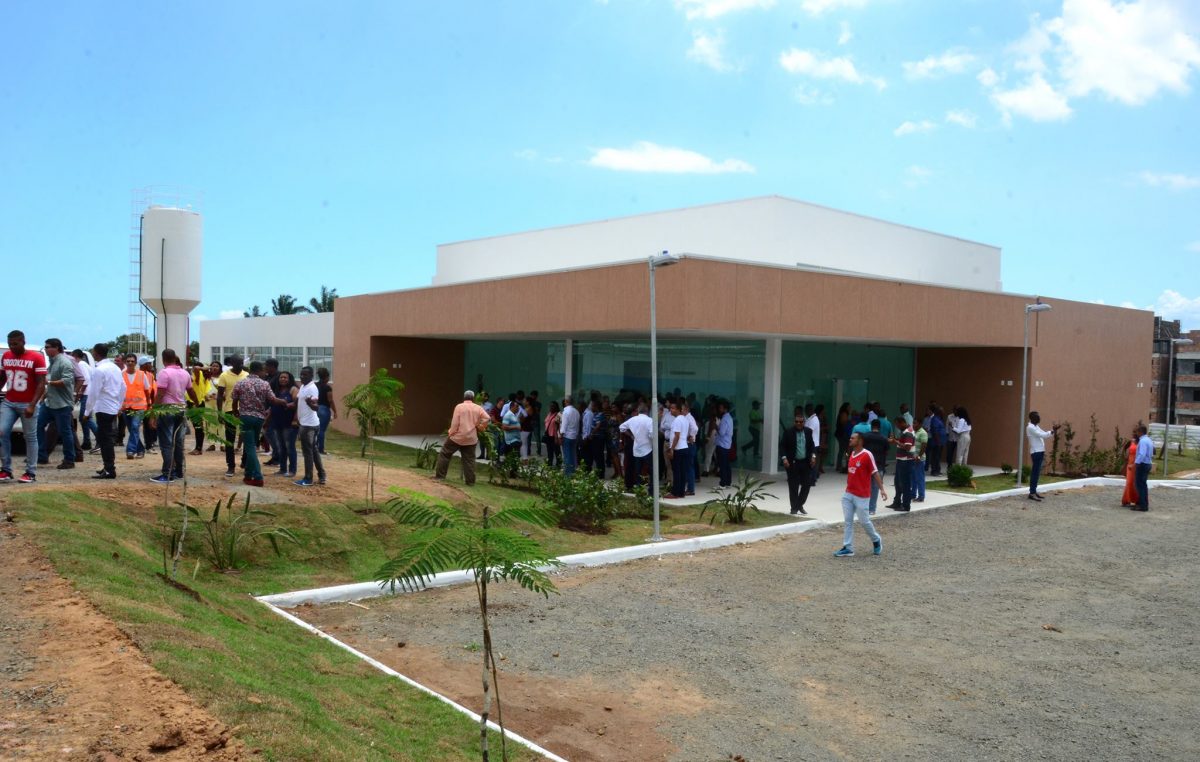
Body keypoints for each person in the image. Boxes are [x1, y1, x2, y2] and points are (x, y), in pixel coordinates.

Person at [0, 330, 48, 483]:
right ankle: (6, 469)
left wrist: (33, 404)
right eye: (10, 344)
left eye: (15, 343)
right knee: (1, 432)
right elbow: (2, 377)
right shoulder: (6, 356)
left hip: (27, 402)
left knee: (30, 437)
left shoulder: (36, 357)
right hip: (9, 401)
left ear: (23, 342)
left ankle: (31, 472)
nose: (12, 347)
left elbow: (41, 383)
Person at [230, 360, 286, 487]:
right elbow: (272, 399)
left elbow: (234, 400)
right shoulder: (264, 384)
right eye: (263, 370)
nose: (264, 372)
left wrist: (235, 412)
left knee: (249, 448)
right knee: (252, 446)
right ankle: (248, 475)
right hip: (260, 418)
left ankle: (257, 476)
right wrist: (284, 402)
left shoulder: (241, 383)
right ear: (259, 370)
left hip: (245, 417)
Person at [834, 432, 887, 558]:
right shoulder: (851, 454)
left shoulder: (867, 455)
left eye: (853, 438)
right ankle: (848, 547)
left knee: (864, 521)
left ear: (860, 440)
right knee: (848, 521)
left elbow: (875, 472)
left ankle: (876, 540)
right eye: (850, 437)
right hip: (848, 494)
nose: (850, 439)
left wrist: (882, 489)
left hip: (862, 495)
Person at [150, 349, 193, 484]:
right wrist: (197, 405)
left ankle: (167, 474)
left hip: (167, 410)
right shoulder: (185, 373)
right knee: (178, 442)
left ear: (163, 359)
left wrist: (153, 413)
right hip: (181, 409)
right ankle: (179, 471)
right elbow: (191, 391)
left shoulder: (164, 373)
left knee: (166, 443)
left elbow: (160, 394)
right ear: (175, 358)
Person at [35, 338, 76, 471]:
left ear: (56, 348)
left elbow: (67, 381)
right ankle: (42, 455)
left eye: (48, 347)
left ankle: (69, 459)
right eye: (45, 347)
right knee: (38, 425)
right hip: (50, 402)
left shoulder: (65, 362)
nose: (46, 349)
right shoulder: (52, 362)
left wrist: (49, 383)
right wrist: (44, 395)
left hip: (62, 404)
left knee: (65, 432)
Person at [84, 343, 124, 480]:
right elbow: (123, 388)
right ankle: (108, 467)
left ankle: (109, 469)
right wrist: (119, 404)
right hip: (112, 407)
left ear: (96, 353)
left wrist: (86, 412)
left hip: (103, 408)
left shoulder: (99, 370)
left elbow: (93, 393)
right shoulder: (115, 368)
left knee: (105, 440)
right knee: (106, 439)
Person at [434, 390, 490, 485]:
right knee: (469, 460)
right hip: (471, 438)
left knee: (445, 454)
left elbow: (455, 423)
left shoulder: (459, 407)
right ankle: (470, 482)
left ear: (464, 397)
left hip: (457, 437)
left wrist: (451, 432)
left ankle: (440, 476)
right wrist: (481, 427)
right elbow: (487, 418)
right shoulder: (478, 408)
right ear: (472, 398)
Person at [215, 356, 249, 477]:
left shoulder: (246, 375)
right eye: (237, 363)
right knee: (230, 440)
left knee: (246, 438)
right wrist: (219, 412)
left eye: (241, 363)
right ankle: (231, 466)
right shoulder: (224, 375)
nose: (239, 365)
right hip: (229, 411)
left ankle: (245, 462)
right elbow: (219, 395)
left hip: (245, 411)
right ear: (231, 363)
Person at [294, 366, 326, 487]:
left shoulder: (312, 388)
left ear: (311, 376)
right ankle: (322, 476)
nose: (302, 377)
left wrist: (310, 404)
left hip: (309, 426)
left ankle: (308, 478)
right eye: (301, 374)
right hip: (306, 423)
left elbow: (316, 407)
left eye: (305, 375)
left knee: (308, 452)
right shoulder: (303, 386)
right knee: (314, 450)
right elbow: (297, 402)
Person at [780, 412, 817, 515]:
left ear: (804, 422)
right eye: (796, 422)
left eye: (801, 422)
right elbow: (782, 446)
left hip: (805, 462)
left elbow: (812, 446)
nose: (799, 424)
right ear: (794, 422)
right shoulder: (788, 432)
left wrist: (813, 456)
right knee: (793, 486)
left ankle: (799, 504)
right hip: (793, 463)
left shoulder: (808, 432)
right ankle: (794, 508)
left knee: (807, 484)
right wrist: (784, 459)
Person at [119, 353, 153, 460]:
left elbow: (147, 391)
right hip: (126, 407)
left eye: (132, 361)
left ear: (135, 362)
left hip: (140, 407)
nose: (130, 363)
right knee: (132, 430)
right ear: (125, 362)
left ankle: (130, 450)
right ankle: (140, 449)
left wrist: (149, 404)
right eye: (128, 361)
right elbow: (118, 392)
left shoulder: (142, 375)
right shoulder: (121, 375)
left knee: (134, 427)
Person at [268, 370, 299, 477]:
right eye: (281, 377)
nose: (283, 379)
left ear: (289, 379)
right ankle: (282, 469)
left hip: (289, 423)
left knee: (289, 446)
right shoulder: (276, 391)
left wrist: (295, 419)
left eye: (285, 377)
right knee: (281, 447)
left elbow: (297, 404)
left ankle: (292, 470)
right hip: (277, 422)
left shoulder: (293, 389)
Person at [619, 403, 655, 493]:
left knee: (637, 471)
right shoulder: (650, 420)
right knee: (651, 470)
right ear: (647, 411)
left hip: (637, 449)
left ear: (638, 411)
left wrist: (632, 435)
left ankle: (638, 489)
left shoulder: (632, 420)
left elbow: (621, 428)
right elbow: (652, 434)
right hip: (648, 449)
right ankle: (651, 490)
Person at [1025, 412, 1058, 502]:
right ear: (1033, 418)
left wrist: (1052, 431)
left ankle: (1034, 492)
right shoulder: (1030, 427)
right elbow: (1042, 435)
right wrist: (1052, 431)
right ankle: (1032, 493)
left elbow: (1043, 433)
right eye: (1038, 417)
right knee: (1035, 473)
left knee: (1037, 473)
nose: (1039, 418)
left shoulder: (1035, 426)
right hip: (1036, 452)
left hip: (1040, 451)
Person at [887, 416, 916, 512]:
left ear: (902, 422)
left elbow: (907, 447)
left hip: (906, 461)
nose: (897, 427)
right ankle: (897, 502)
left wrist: (895, 441)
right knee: (898, 482)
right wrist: (896, 440)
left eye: (897, 425)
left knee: (905, 484)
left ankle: (906, 505)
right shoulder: (905, 431)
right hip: (901, 460)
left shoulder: (908, 432)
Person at [862, 420, 889, 515]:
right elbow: (886, 452)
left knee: (864, 486)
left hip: (865, 465)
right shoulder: (884, 438)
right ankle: (872, 509)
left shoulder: (865, 436)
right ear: (879, 427)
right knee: (875, 488)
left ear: (871, 426)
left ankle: (863, 507)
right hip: (879, 465)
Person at [665, 400, 690, 499]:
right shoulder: (685, 419)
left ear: (679, 410)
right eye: (670, 408)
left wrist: (672, 449)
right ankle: (681, 492)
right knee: (682, 471)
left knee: (677, 471)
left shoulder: (677, 420)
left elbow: (677, 436)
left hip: (678, 448)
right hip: (684, 447)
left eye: (673, 408)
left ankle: (675, 492)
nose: (671, 410)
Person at [315, 367, 337, 454]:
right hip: (324, 409)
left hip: (315, 408)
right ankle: (321, 449)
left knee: (315, 429)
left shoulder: (315, 385)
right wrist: (335, 411)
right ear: (327, 377)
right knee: (322, 430)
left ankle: (314, 446)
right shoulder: (327, 388)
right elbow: (330, 400)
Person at [1132, 425, 1153, 511]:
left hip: (1142, 464)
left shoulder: (1143, 441)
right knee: (1143, 485)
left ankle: (1142, 505)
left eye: (1137, 431)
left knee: (1139, 485)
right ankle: (1143, 503)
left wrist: (1136, 463)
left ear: (1140, 432)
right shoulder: (1148, 440)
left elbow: (1142, 454)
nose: (1136, 433)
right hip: (1147, 463)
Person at [714, 399, 734, 487]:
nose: (719, 410)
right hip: (726, 444)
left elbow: (721, 432)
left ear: (725, 409)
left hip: (722, 444)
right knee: (726, 464)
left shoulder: (725, 419)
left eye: (721, 408)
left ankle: (723, 483)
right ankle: (728, 482)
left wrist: (716, 426)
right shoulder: (729, 418)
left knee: (722, 465)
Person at [559, 395, 580, 476]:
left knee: (567, 455)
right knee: (572, 455)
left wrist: (560, 436)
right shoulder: (576, 411)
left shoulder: (566, 412)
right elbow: (578, 425)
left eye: (565, 401)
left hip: (567, 436)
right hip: (574, 436)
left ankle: (568, 474)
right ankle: (572, 471)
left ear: (566, 402)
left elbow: (563, 426)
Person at [1120, 428, 1139, 507]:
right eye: (1133, 432)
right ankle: (1127, 499)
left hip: (1137, 463)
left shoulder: (1142, 442)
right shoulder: (1131, 441)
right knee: (1129, 482)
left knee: (1136, 482)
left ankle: (1137, 500)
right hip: (1130, 463)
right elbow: (1124, 448)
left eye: (1135, 432)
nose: (1133, 434)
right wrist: (1125, 457)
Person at [911, 418, 928, 502]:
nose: (913, 425)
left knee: (920, 478)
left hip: (919, 459)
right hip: (913, 458)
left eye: (915, 423)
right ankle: (913, 494)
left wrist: (919, 456)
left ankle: (921, 496)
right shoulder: (914, 432)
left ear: (920, 424)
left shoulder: (923, 433)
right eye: (913, 423)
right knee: (913, 478)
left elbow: (924, 446)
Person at [543, 400, 561, 468]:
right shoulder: (549, 413)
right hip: (548, 435)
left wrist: (557, 437)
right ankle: (549, 464)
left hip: (554, 436)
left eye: (552, 406)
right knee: (549, 451)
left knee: (557, 451)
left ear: (556, 407)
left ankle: (558, 465)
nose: (551, 407)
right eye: (550, 406)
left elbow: (558, 426)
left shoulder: (558, 414)